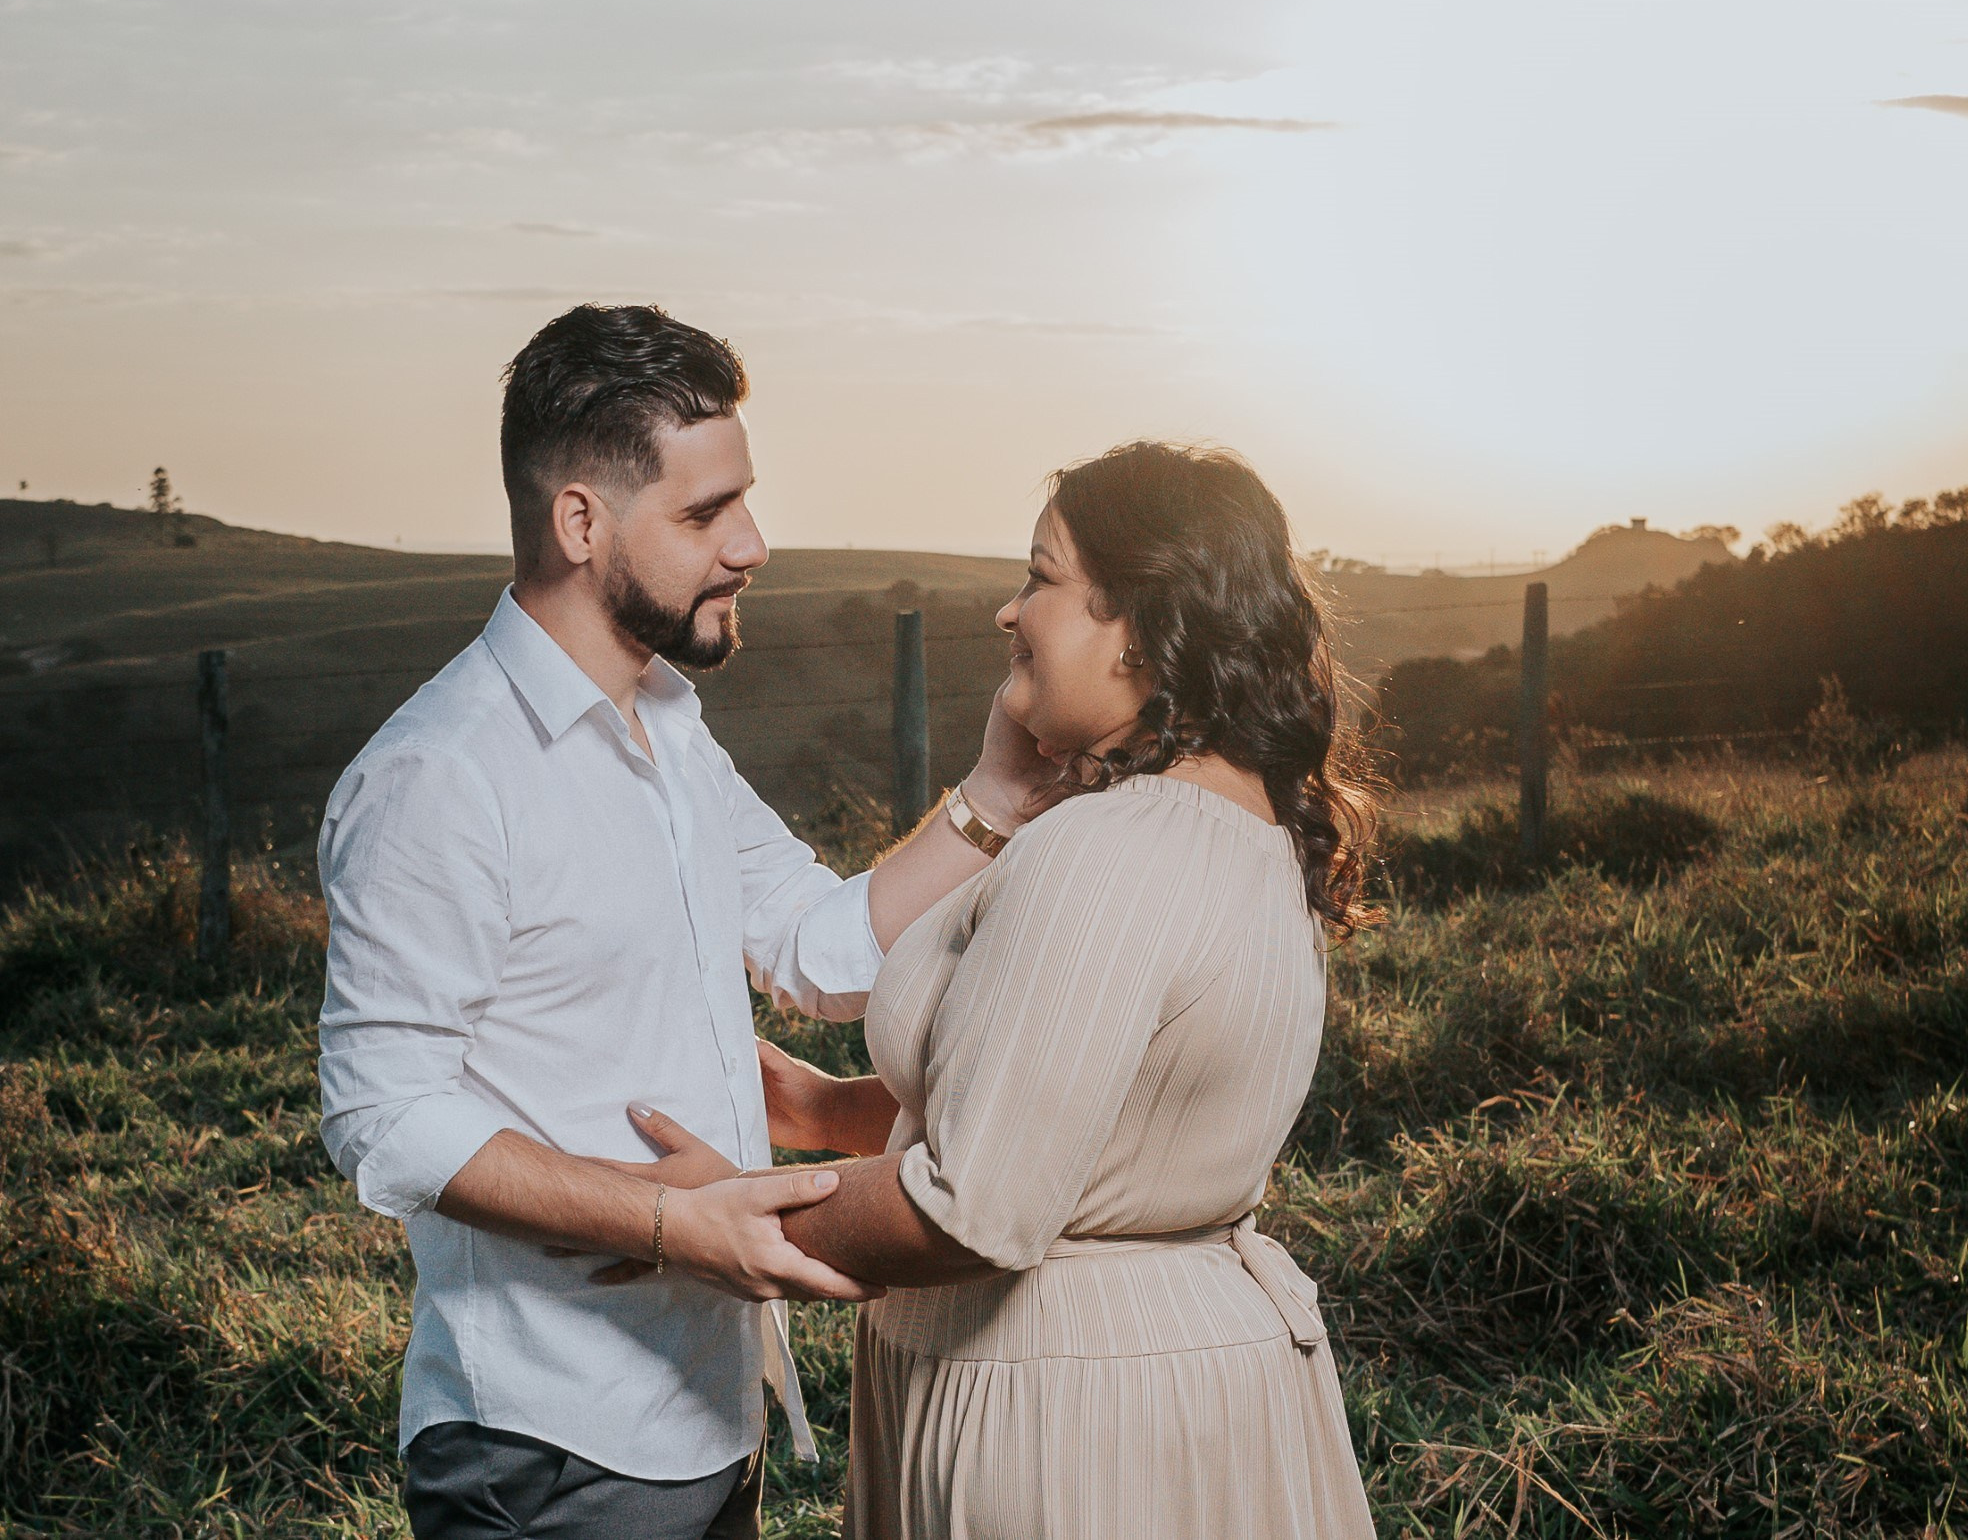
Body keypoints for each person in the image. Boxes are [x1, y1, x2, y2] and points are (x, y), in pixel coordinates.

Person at [315, 304, 1057, 1540]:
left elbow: (818, 949)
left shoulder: (668, 720)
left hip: (711, 1408)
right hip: (550, 1444)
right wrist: (672, 1223)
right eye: (707, 512)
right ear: (580, 522)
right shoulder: (439, 774)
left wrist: (999, 796)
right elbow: (382, 1114)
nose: (753, 544)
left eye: (743, 501)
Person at [742, 441, 1381, 1538]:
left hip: (1064, 1418)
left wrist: (718, 1210)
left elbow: (971, 1205)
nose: (1008, 611)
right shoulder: (1251, 831)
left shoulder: (1106, 851)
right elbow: (1090, 1109)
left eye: (1039, 577)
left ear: (1140, 625)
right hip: (1176, 1388)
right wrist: (820, 1107)